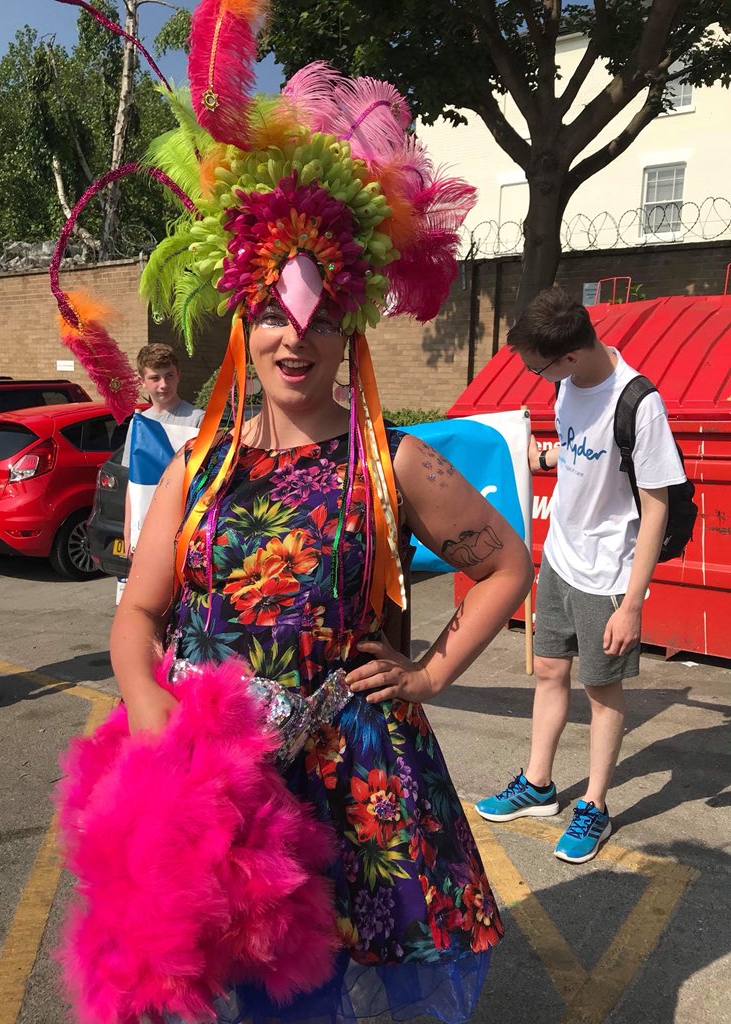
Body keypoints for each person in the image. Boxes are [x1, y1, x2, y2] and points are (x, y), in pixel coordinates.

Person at [49, 3, 532, 1021]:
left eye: (313, 315)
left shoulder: (394, 460)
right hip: (221, 794)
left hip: (355, 786)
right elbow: (136, 617)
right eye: (271, 311)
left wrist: (433, 668)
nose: (291, 340)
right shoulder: (196, 469)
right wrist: (148, 710)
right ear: (244, 317)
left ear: (349, 315)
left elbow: (507, 567)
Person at [476, 286, 686, 864]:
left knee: (601, 688)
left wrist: (633, 603)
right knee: (548, 670)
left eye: (540, 368)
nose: (540, 379)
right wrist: (527, 452)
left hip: (609, 574)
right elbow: (572, 458)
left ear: (569, 355)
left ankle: (594, 805)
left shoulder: (639, 403)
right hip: (562, 559)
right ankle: (538, 786)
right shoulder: (569, 385)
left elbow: (658, 504)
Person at [121, 343, 205, 558]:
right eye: (155, 378)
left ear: (178, 375)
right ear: (142, 381)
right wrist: (129, 531)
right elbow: (134, 485)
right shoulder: (138, 424)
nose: (163, 384)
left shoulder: (198, 419)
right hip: (146, 526)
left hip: (184, 525)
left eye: (169, 376)